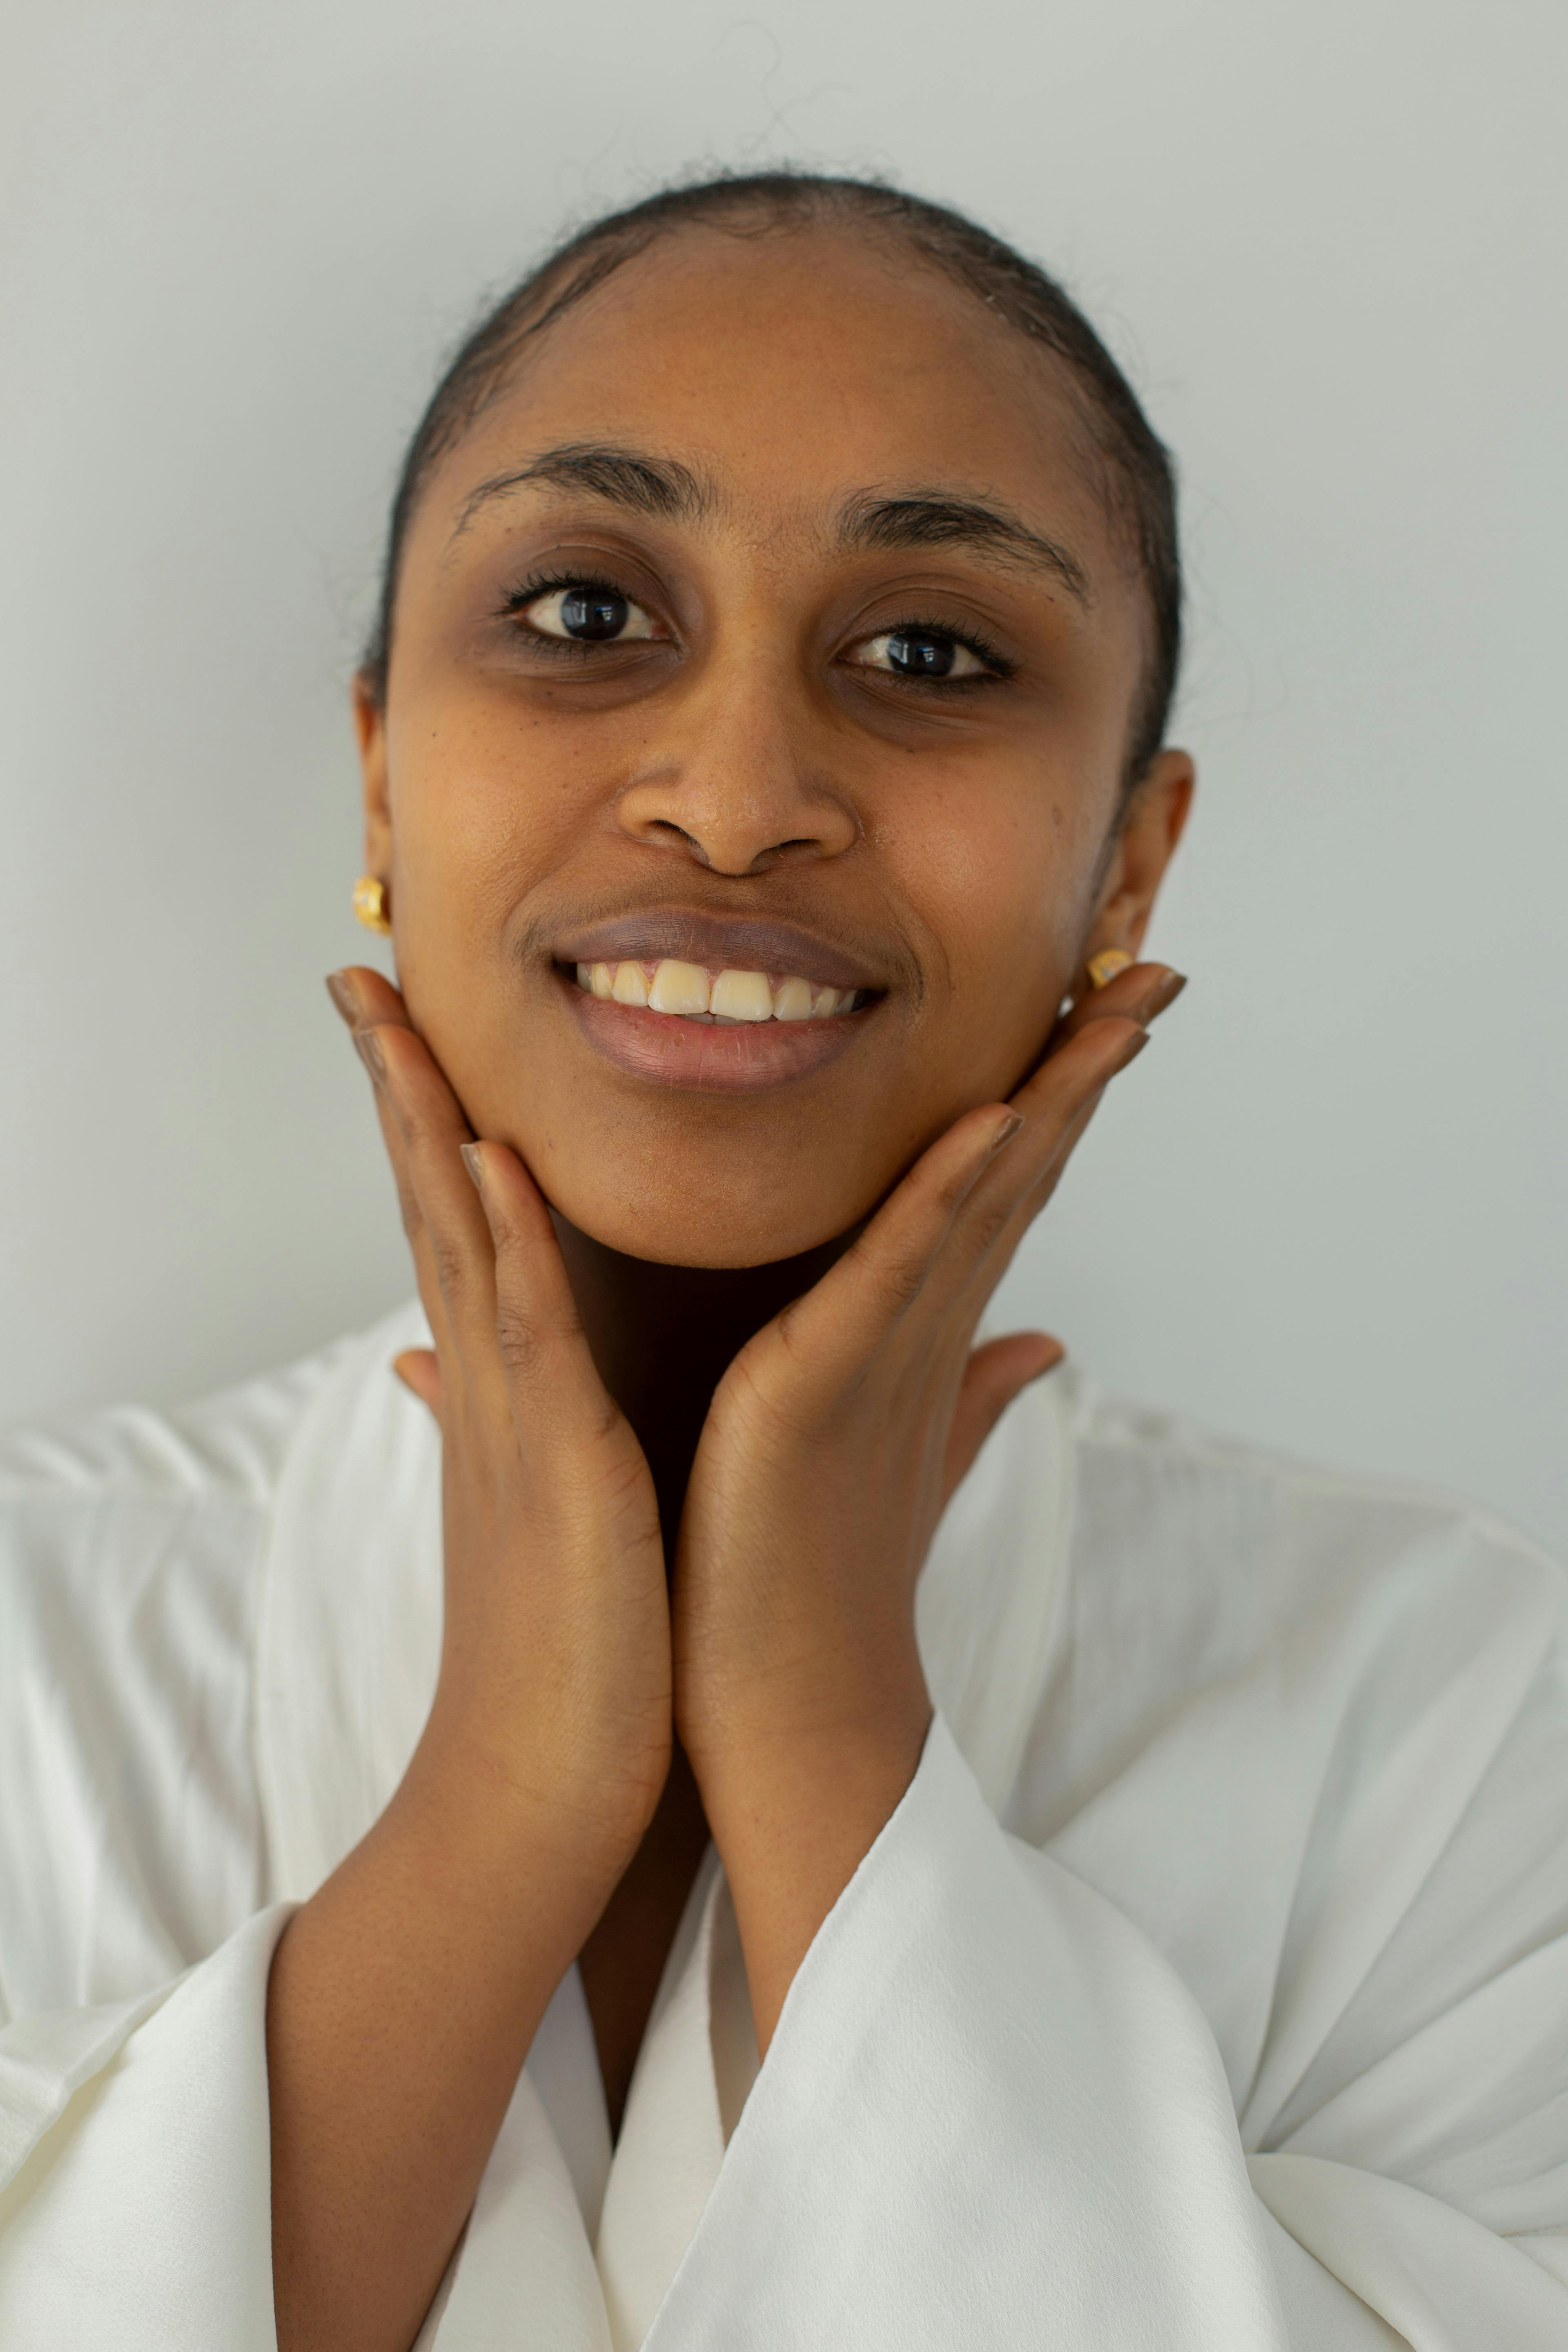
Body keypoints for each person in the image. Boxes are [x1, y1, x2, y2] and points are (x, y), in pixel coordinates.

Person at [0, 172, 1563, 2352]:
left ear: (1130, 859)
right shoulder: (31, 1636)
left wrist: (832, 1741)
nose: (737, 795)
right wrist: (504, 1804)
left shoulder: (1469, 1718)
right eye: (581, 616)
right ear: (378, 781)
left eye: (928, 653)